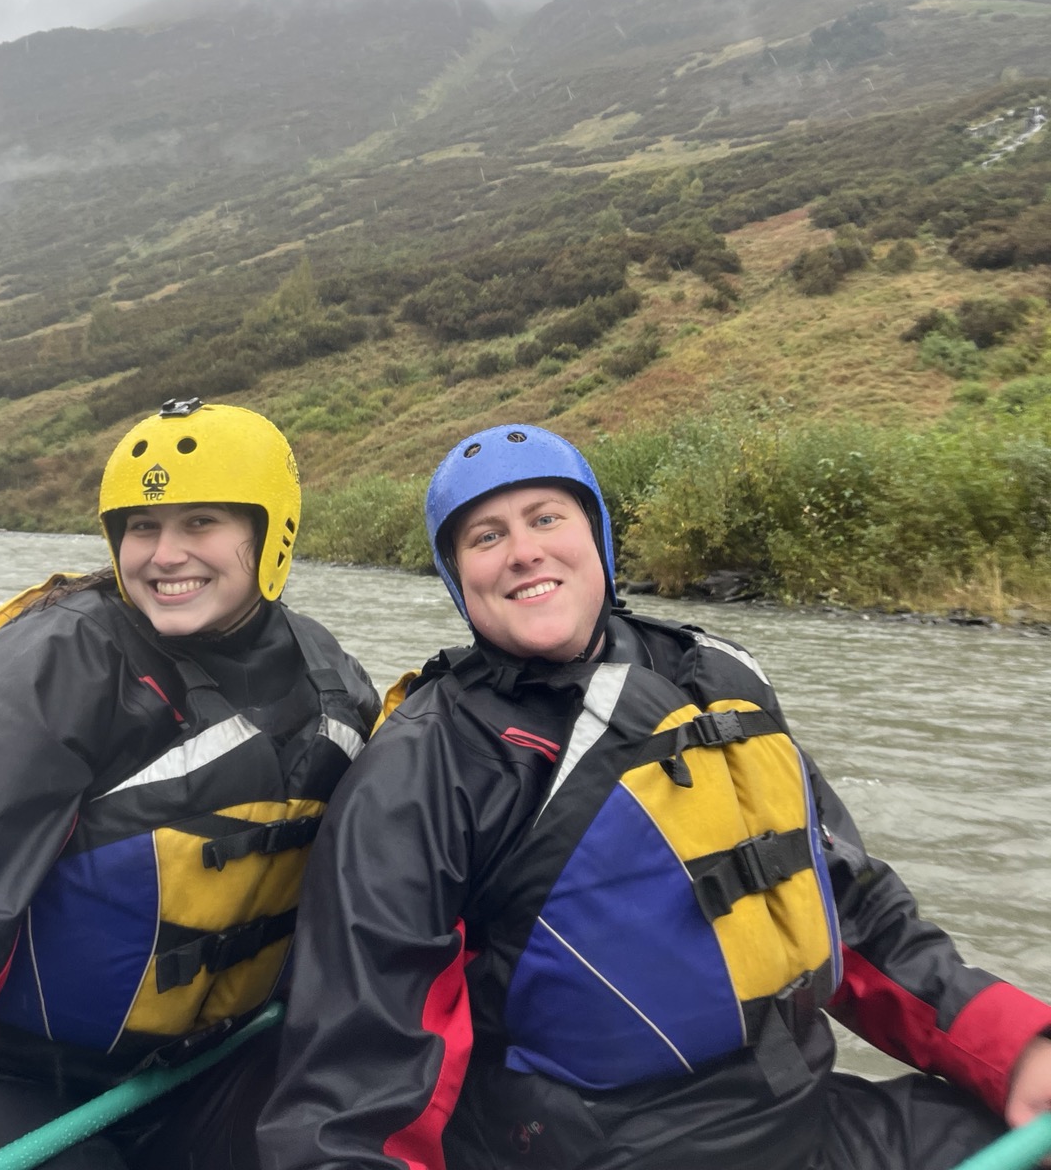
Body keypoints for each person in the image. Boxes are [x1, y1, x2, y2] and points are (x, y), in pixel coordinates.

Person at [258, 422, 1051, 1170]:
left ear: (598, 537)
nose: (524, 553)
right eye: (486, 537)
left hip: (801, 1117)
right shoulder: (424, 764)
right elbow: (359, 1082)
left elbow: (847, 904)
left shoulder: (717, 679)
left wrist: (1013, 1045)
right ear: (457, 577)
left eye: (546, 518)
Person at [0, 397, 379, 1170]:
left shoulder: (336, 682)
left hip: (199, 1070)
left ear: (272, 532)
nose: (164, 555)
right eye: (142, 527)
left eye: (201, 523)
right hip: (0, 1080)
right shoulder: (60, 661)